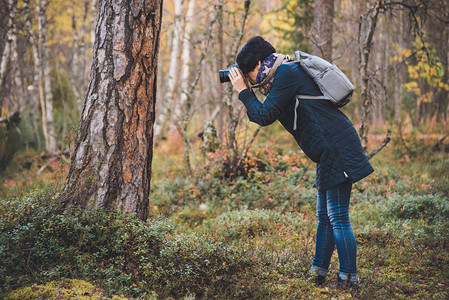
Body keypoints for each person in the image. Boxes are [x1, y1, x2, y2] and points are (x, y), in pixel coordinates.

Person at [228, 36, 374, 287]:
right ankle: (318, 271)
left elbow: (264, 116)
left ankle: (349, 278)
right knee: (324, 216)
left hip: (336, 145)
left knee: (338, 215)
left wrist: (243, 93)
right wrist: (248, 91)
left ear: (260, 62)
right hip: (328, 150)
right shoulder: (281, 76)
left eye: (248, 72)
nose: (249, 79)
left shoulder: (287, 73)